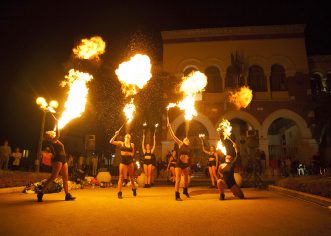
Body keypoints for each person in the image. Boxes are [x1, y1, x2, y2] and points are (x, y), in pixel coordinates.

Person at [36, 122, 76, 202]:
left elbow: (58, 135)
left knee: (65, 178)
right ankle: (41, 192)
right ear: (50, 136)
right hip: (58, 159)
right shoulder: (53, 140)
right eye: (51, 132)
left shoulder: (56, 140)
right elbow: (58, 134)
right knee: (53, 177)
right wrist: (57, 124)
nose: (53, 132)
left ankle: (67, 195)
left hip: (63, 159)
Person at [167, 119, 190, 201]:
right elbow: (173, 136)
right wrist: (169, 127)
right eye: (185, 139)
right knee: (178, 179)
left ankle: (185, 190)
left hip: (186, 164)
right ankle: (177, 195)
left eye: (187, 139)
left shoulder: (188, 147)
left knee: (186, 179)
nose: (186, 139)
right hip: (179, 164)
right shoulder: (181, 143)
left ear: (189, 142)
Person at [109, 130, 137, 199]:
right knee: (121, 177)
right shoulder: (121, 143)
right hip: (123, 161)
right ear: (125, 138)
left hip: (130, 161)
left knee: (131, 177)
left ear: (130, 138)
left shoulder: (132, 144)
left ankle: (133, 188)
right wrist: (115, 135)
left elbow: (133, 153)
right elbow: (111, 141)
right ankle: (119, 192)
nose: (127, 137)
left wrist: (129, 154)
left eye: (128, 136)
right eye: (126, 136)